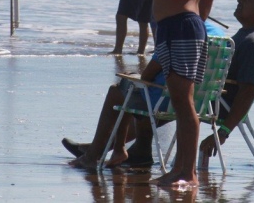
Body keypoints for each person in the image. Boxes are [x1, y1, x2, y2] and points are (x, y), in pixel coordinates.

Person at [64, 21, 224, 169]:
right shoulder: (220, 35)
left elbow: (148, 74)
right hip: (201, 104)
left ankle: (94, 154)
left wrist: (134, 76)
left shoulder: (174, 28)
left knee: (121, 89)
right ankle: (119, 148)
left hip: (168, 100)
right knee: (138, 89)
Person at [151, 0, 213, 187]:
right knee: (184, 101)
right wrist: (195, 24)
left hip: (179, 27)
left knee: (183, 102)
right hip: (189, 26)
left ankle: (185, 172)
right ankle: (182, 169)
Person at [198, 0, 254, 161]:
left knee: (137, 98)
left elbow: (248, 90)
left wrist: (223, 131)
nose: (240, 0)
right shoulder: (248, 35)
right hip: (209, 98)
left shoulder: (253, 42)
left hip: (212, 103)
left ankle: (135, 153)